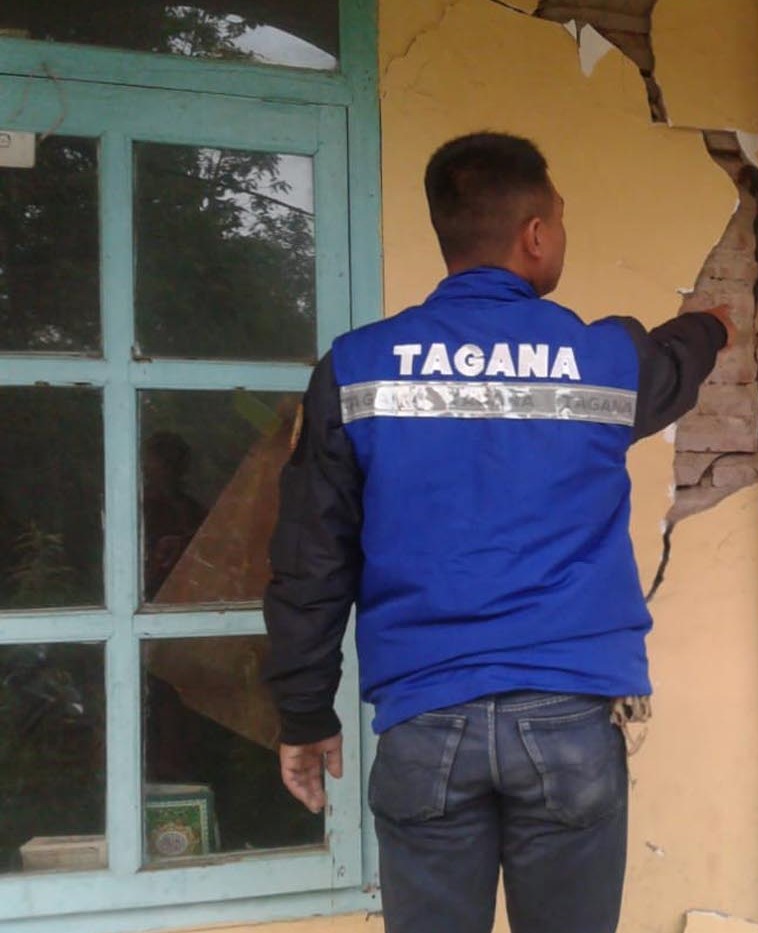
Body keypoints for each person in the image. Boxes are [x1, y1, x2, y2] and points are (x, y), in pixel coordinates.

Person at [261, 132, 733, 933]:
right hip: (570, 723)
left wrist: (304, 715)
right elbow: (671, 362)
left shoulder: (356, 369)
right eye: (559, 220)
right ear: (536, 234)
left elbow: (310, 561)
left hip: (423, 721)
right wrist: (713, 326)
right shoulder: (602, 358)